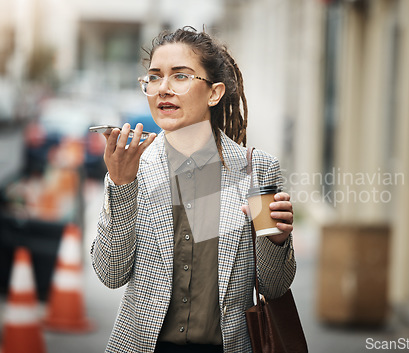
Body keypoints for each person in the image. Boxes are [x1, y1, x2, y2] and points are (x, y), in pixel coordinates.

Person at [91, 26, 296, 353]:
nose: (163, 89)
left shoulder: (256, 169)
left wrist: (277, 239)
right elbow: (111, 274)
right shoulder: (132, 167)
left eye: (181, 77)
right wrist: (121, 185)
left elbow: (274, 285)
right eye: (154, 77)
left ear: (214, 93)